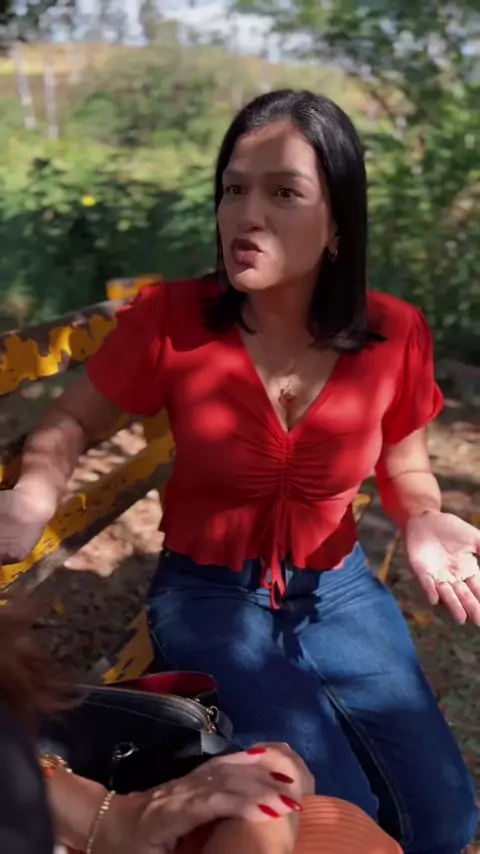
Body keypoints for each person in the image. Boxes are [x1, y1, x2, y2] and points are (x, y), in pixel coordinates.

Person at [0, 88, 478, 853]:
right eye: (233, 190)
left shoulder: (395, 332)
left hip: (341, 592)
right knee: (335, 819)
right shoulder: (173, 318)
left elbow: (406, 464)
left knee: (448, 824)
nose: (245, 215)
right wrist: (35, 491)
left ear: (338, 224)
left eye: (283, 192)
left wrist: (422, 517)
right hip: (210, 599)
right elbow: (70, 421)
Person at [0, 604, 401, 854]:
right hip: (214, 591)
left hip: (323, 586)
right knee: (345, 811)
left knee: (410, 818)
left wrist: (107, 819)